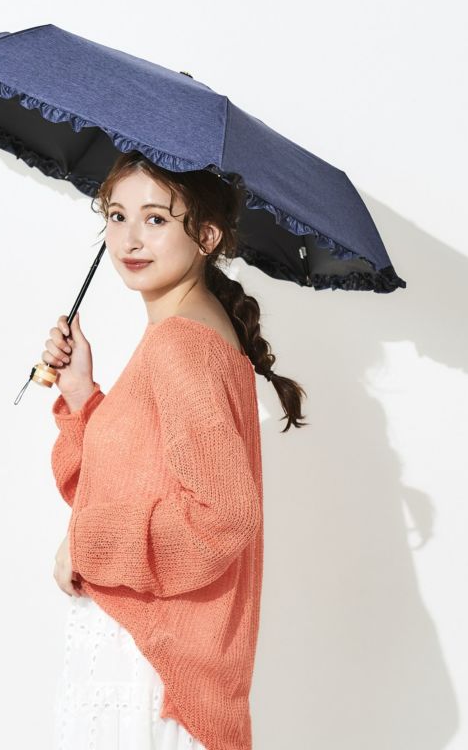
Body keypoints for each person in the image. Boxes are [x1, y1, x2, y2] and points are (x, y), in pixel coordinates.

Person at [44, 150, 307, 750]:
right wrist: (82, 395)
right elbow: (132, 475)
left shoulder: (180, 345)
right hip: (148, 648)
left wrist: (87, 542)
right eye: (116, 215)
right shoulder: (186, 330)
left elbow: (223, 516)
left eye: (156, 219)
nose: (130, 239)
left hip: (151, 661)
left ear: (206, 237)